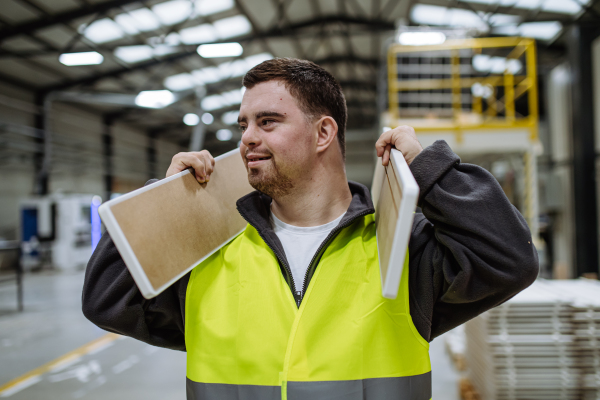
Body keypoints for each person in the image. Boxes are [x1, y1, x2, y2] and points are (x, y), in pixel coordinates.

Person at [83, 58, 539, 400]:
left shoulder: (400, 246)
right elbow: (107, 301)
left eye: (267, 121)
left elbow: (508, 260)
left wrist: (428, 167)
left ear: (323, 134)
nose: (246, 138)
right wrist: (161, 205)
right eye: (243, 124)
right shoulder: (211, 249)